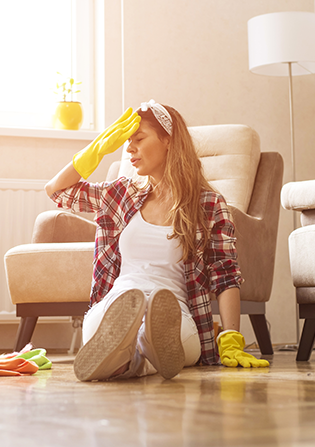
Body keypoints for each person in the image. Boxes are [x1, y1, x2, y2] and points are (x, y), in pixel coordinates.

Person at [45, 101, 270, 382]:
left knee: (169, 334)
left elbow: (225, 274)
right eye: (127, 142)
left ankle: (127, 359)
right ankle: (140, 357)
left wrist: (231, 335)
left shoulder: (208, 204)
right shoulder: (122, 193)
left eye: (138, 139)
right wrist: (98, 149)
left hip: (172, 310)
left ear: (168, 141)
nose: (129, 149)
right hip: (117, 303)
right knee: (109, 324)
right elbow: (56, 191)